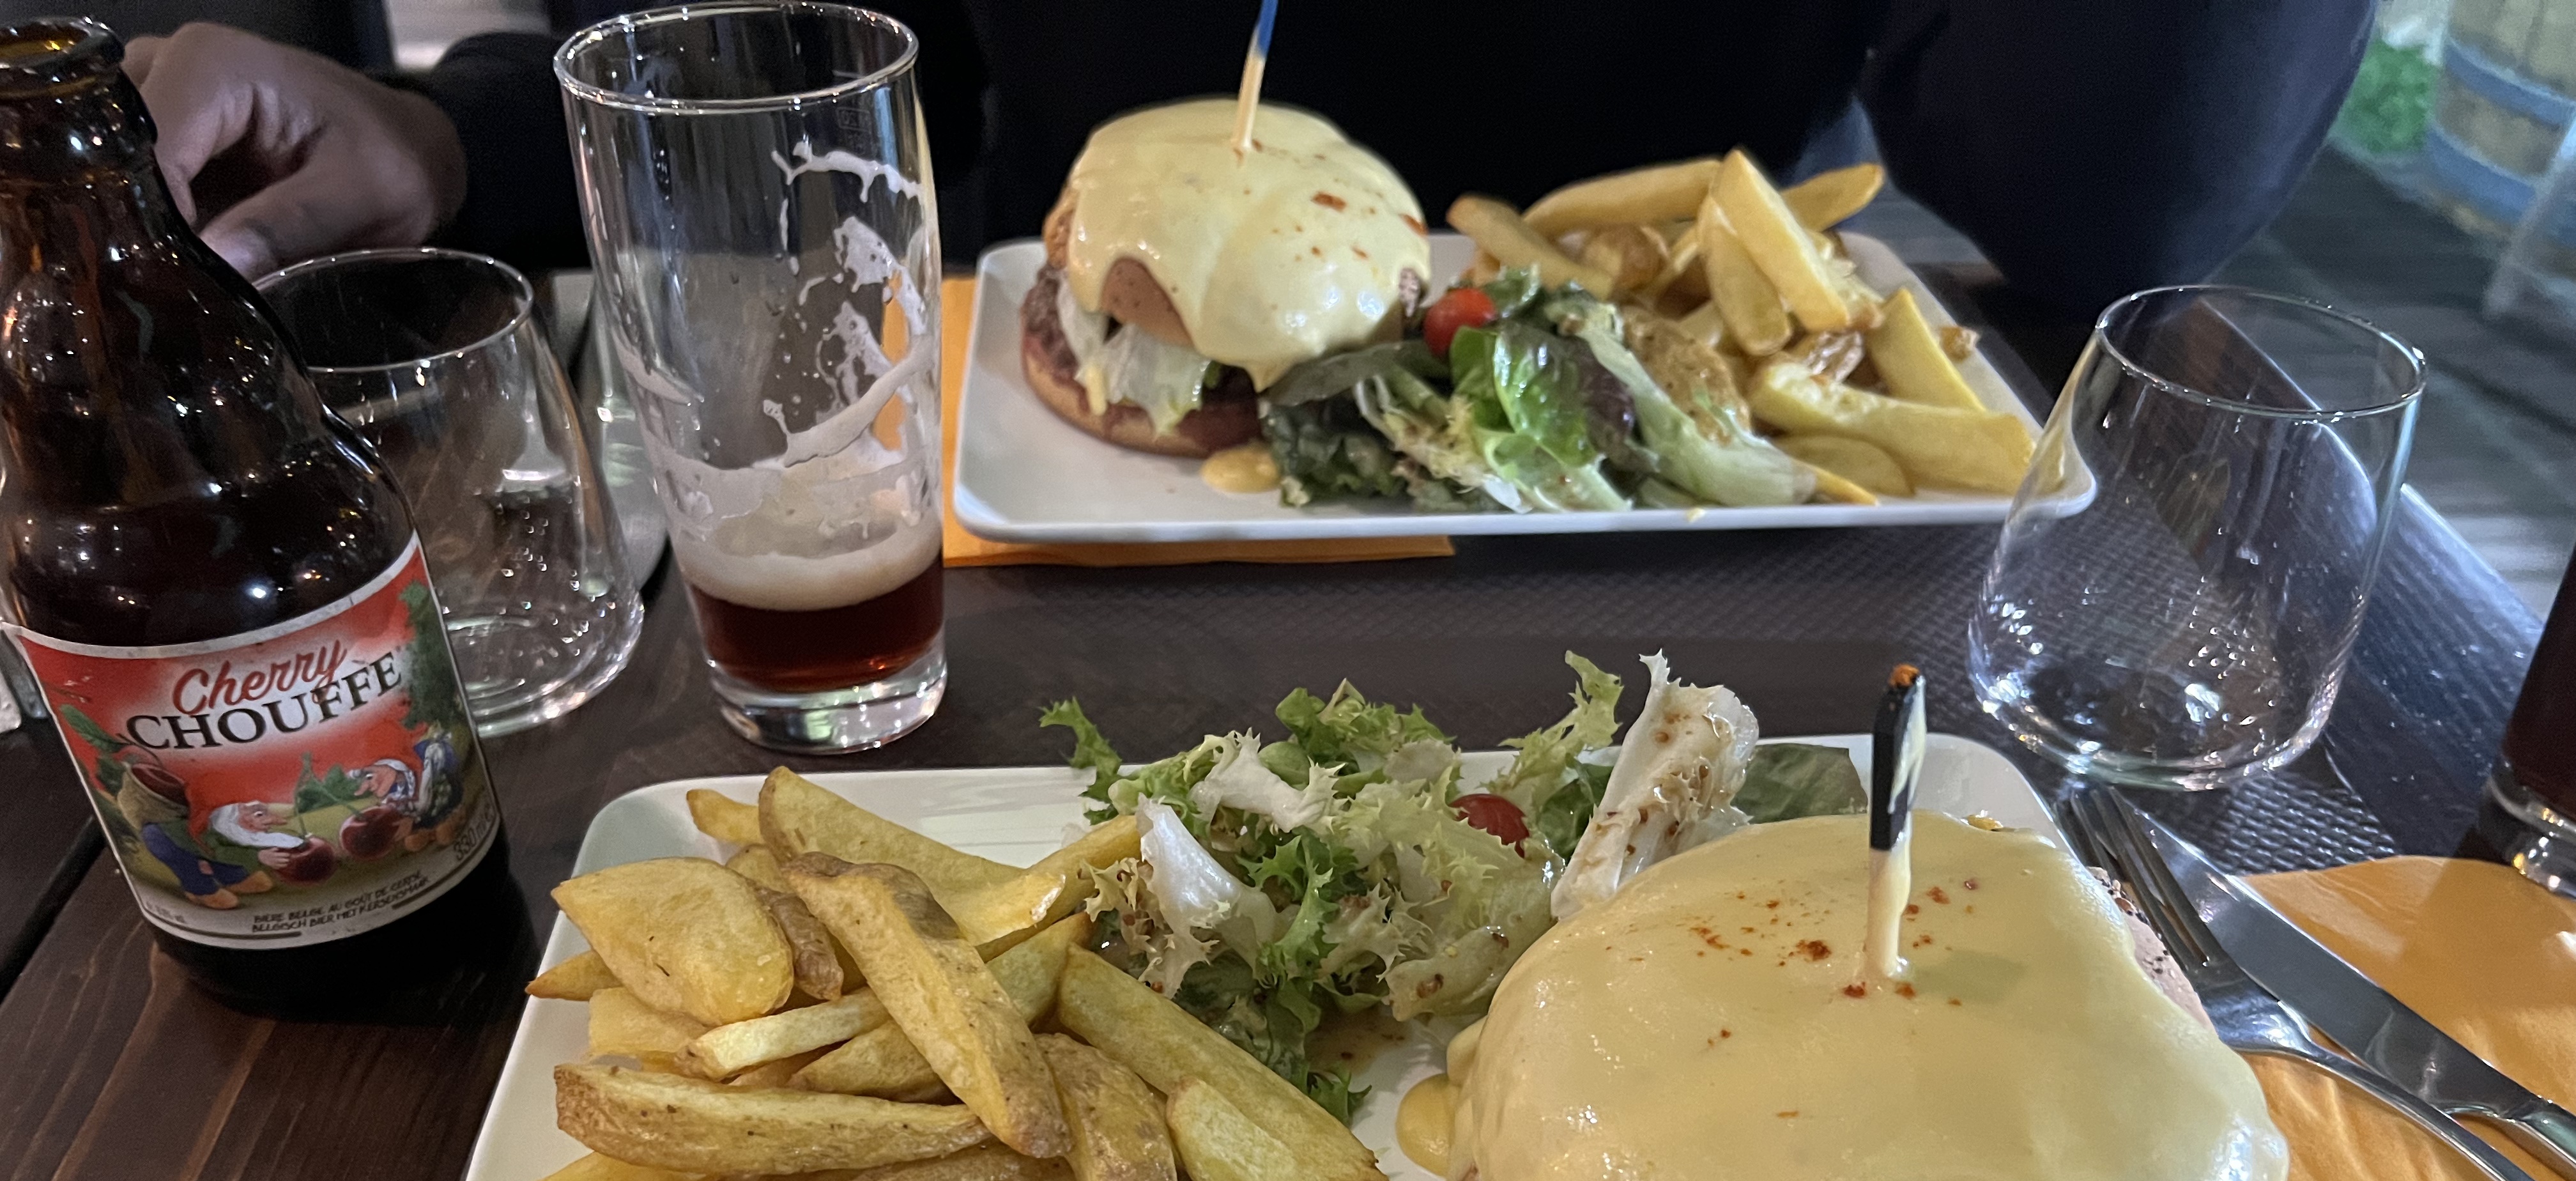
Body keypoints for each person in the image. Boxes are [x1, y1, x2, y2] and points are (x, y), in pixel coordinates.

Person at [131, 0, 2372, 317]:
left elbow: (2129, 198)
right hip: (1051, 538)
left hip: (1707, 532)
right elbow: (828, 61)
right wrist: (454, 138)